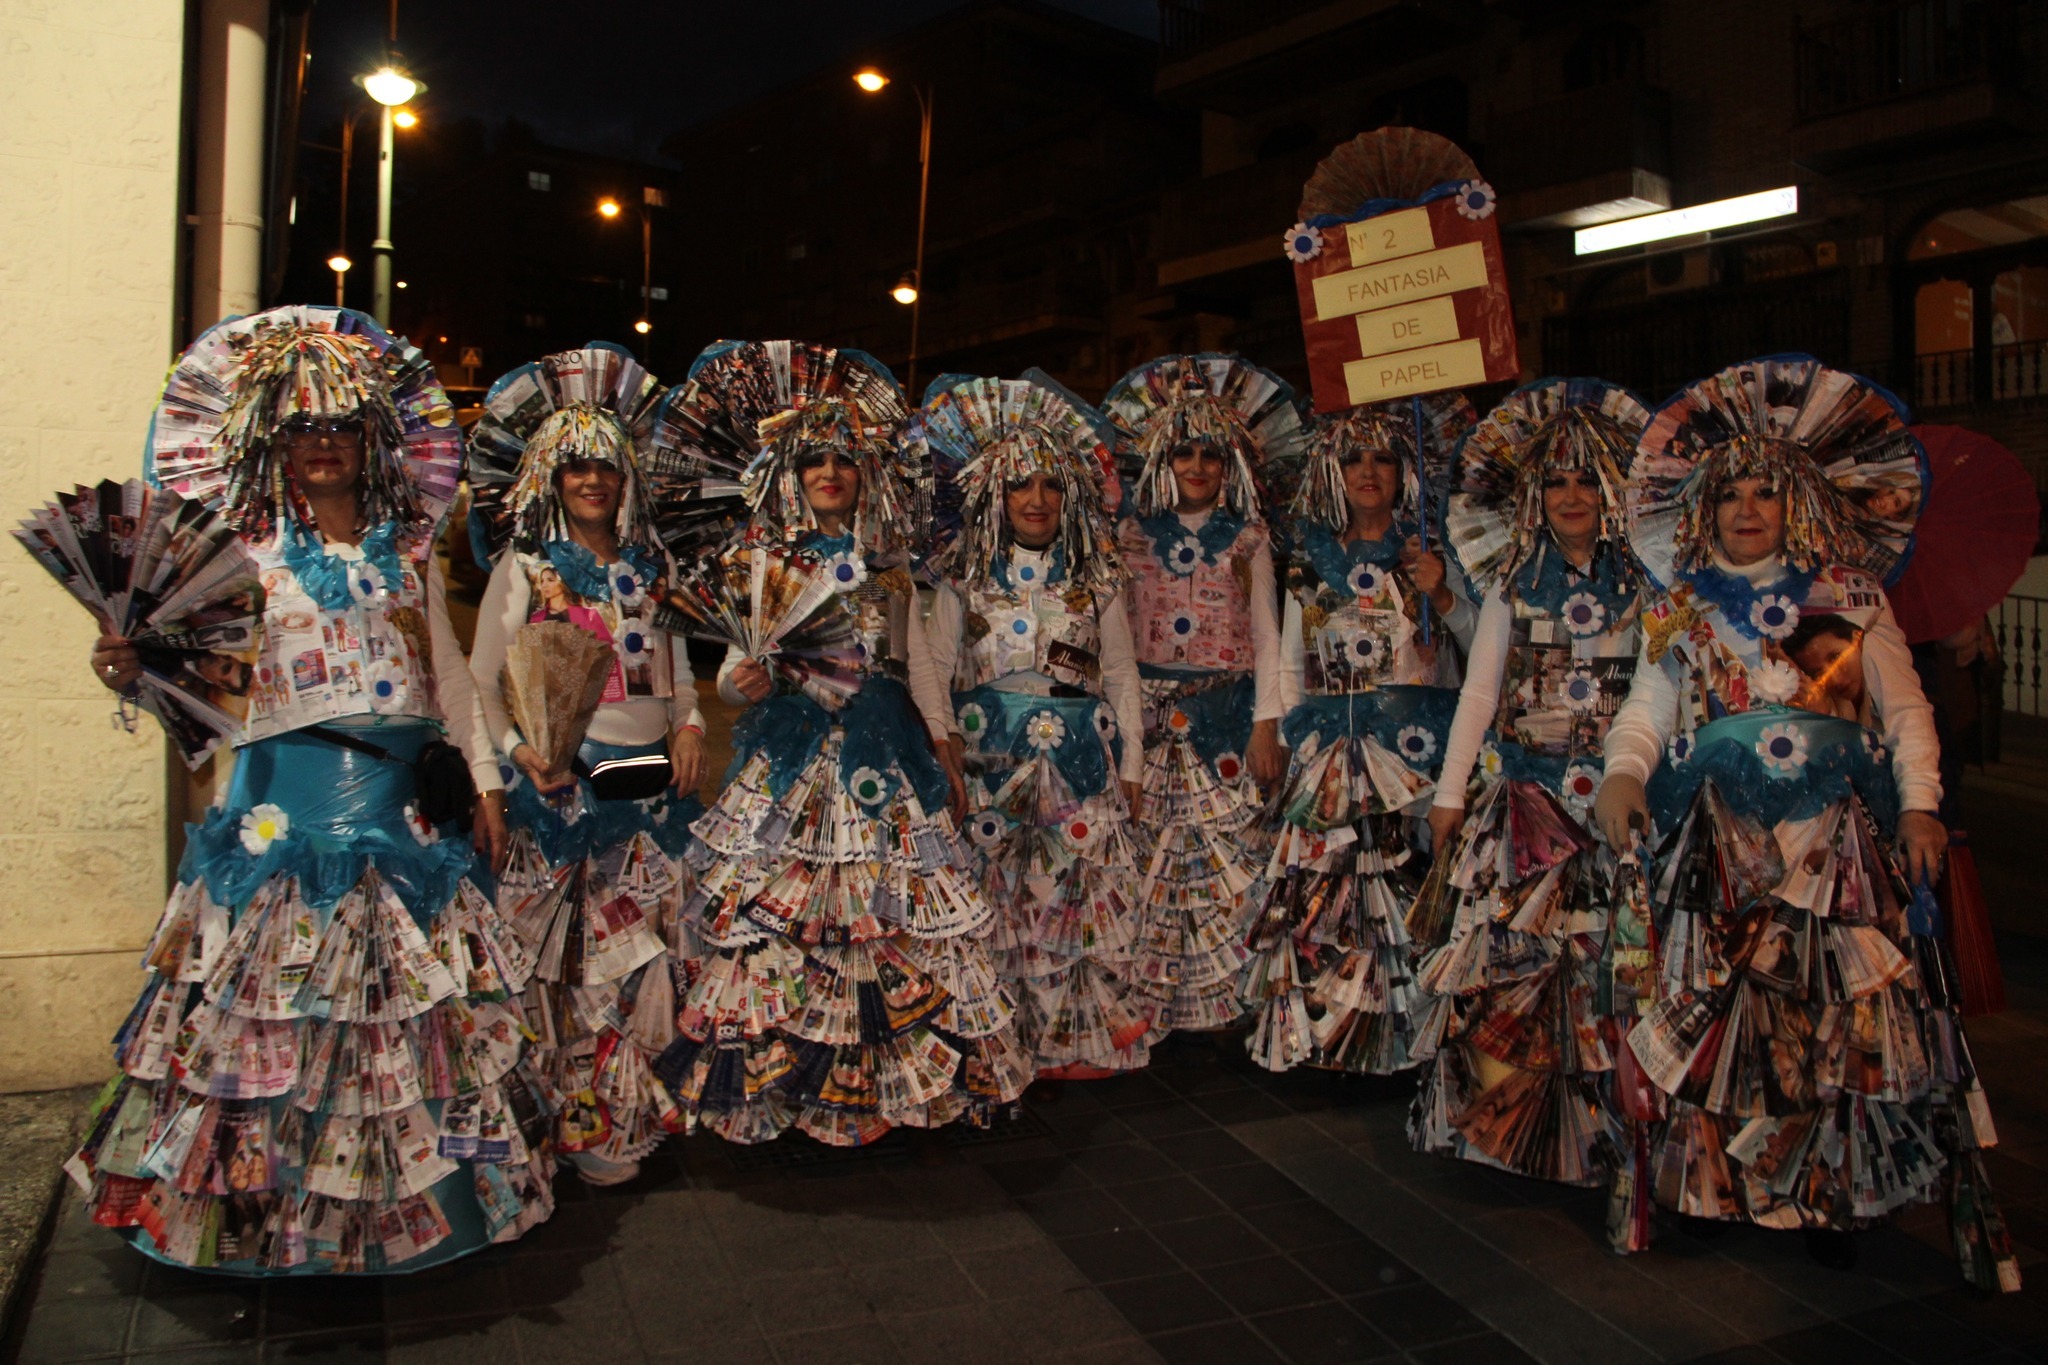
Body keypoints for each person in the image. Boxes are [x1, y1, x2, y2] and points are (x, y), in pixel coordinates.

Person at [71, 305, 553, 1275]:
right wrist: (126, 669)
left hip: (401, 812)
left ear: (368, 440)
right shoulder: (237, 557)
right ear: (274, 444)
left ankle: (395, 1226)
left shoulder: (407, 549)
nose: (323, 445)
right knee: (277, 1010)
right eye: (303, 430)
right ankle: (273, 1235)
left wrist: (488, 781)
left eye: (339, 428)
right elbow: (183, 683)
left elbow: (452, 677)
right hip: (279, 810)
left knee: (395, 1016)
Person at [1591, 356, 2016, 1289]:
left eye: (1765, 493)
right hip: (1719, 846)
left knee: (1832, 1029)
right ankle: (1719, 1187)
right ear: (1707, 505)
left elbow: (1906, 713)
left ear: (1797, 503)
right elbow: (1645, 711)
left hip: (1834, 847)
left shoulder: (1853, 597)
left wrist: (1921, 806)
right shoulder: (1681, 606)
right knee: (1718, 1022)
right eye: (1731, 491)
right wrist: (1623, 776)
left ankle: (1831, 1191)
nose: (1747, 508)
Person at [653, 341, 1021, 1144]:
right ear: (792, 472)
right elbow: (727, 674)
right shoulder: (762, 558)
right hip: (791, 761)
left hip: (884, 758)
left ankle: (883, 1088)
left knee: (892, 918)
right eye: (814, 460)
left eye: (844, 461)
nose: (830, 473)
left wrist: (945, 741)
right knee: (779, 920)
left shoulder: (891, 567)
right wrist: (735, 687)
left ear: (865, 476)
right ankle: (786, 1086)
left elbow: (919, 665)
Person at [1409, 379, 1654, 1218]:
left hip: (1616, 813)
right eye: (1556, 482)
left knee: (1609, 976)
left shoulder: (1650, 586)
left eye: (1589, 480)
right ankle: (1518, 1126)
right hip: (1525, 808)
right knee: (1519, 973)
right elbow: (1479, 693)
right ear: (1534, 497)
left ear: (1614, 488)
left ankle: (1610, 1131)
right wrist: (1449, 794)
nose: (1574, 497)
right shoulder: (1513, 582)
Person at [465, 344, 706, 1186]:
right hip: (563, 795)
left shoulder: (654, 568)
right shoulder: (523, 571)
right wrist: (517, 755)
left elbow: (679, 679)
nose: (593, 479)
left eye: (606, 463)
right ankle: (575, 1121)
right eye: (575, 467)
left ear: (627, 474)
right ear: (549, 478)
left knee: (645, 957)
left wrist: (694, 724)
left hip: (649, 792)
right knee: (570, 968)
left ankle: (631, 1111)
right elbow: (482, 686)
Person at [922, 371, 1151, 1080]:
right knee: (999, 898)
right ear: (997, 491)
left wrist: (1135, 764)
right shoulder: (961, 573)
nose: (1036, 499)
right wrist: (943, 745)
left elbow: (1120, 674)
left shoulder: (1097, 573)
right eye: (1021, 484)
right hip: (990, 763)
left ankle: (1067, 1043)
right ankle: (1000, 1043)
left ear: (1068, 494)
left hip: (1080, 762)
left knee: (1068, 900)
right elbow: (931, 665)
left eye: (1050, 485)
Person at [1241, 394, 1477, 1074]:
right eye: (1353, 458)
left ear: (1409, 470)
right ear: (1332, 471)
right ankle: (1333, 1037)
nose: (1368, 471)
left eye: (1384, 457)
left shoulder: (1431, 549)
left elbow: (1474, 642)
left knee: (1403, 886)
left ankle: (1408, 1041)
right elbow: (1289, 656)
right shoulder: (1309, 555)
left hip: (1409, 751)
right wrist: (1284, 734)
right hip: (1329, 749)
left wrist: (1442, 596)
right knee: (1329, 893)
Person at [1100, 355, 1299, 1038]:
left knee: (1226, 861)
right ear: (1162, 457)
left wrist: (1267, 726)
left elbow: (1270, 635)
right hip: (1149, 720)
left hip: (1226, 717)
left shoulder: (1249, 538)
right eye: (1183, 451)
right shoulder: (1127, 535)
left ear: (1231, 465)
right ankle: (1152, 1004)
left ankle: (1226, 1005)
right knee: (1151, 857)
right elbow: (1114, 645)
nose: (1197, 465)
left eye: (1211, 454)